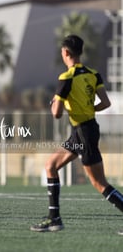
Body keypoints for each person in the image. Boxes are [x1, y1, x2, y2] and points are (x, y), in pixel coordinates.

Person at [30, 34, 123, 233]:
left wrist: (54, 103)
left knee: (99, 183)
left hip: (84, 133)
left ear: (66, 53)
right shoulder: (93, 73)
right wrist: (88, 108)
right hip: (83, 131)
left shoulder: (66, 77)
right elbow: (105, 103)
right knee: (51, 166)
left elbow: (56, 114)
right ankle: (54, 219)